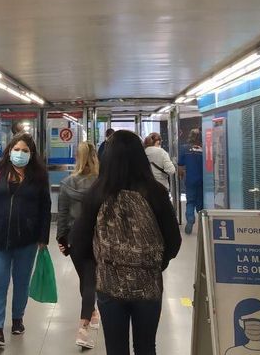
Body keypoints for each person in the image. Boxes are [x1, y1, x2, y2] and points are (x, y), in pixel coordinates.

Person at [71, 130, 182, 355]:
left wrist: (100, 265)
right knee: (146, 346)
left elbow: (79, 242)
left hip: (110, 286)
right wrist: (154, 265)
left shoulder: (97, 193)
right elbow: (174, 240)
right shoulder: (156, 192)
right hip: (148, 285)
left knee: (115, 348)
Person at [0, 133, 52, 348]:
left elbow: (45, 208)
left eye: (25, 151)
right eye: (17, 149)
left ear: (32, 154)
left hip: (26, 239)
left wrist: (43, 237)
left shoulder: (39, 176)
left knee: (21, 282)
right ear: (10, 150)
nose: (20, 154)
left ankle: (17, 318)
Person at [57, 141, 101, 349]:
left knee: (86, 278)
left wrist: (61, 239)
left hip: (75, 237)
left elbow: (63, 214)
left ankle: (87, 318)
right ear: (95, 157)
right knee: (89, 280)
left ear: (78, 158)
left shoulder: (66, 183)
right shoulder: (103, 183)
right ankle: (87, 321)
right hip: (98, 236)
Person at [178, 129, 204, 234]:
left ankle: (190, 219)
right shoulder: (204, 149)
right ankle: (203, 223)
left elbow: (180, 165)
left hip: (190, 179)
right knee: (201, 202)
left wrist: (181, 176)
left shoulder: (185, 148)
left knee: (190, 201)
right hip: (203, 180)